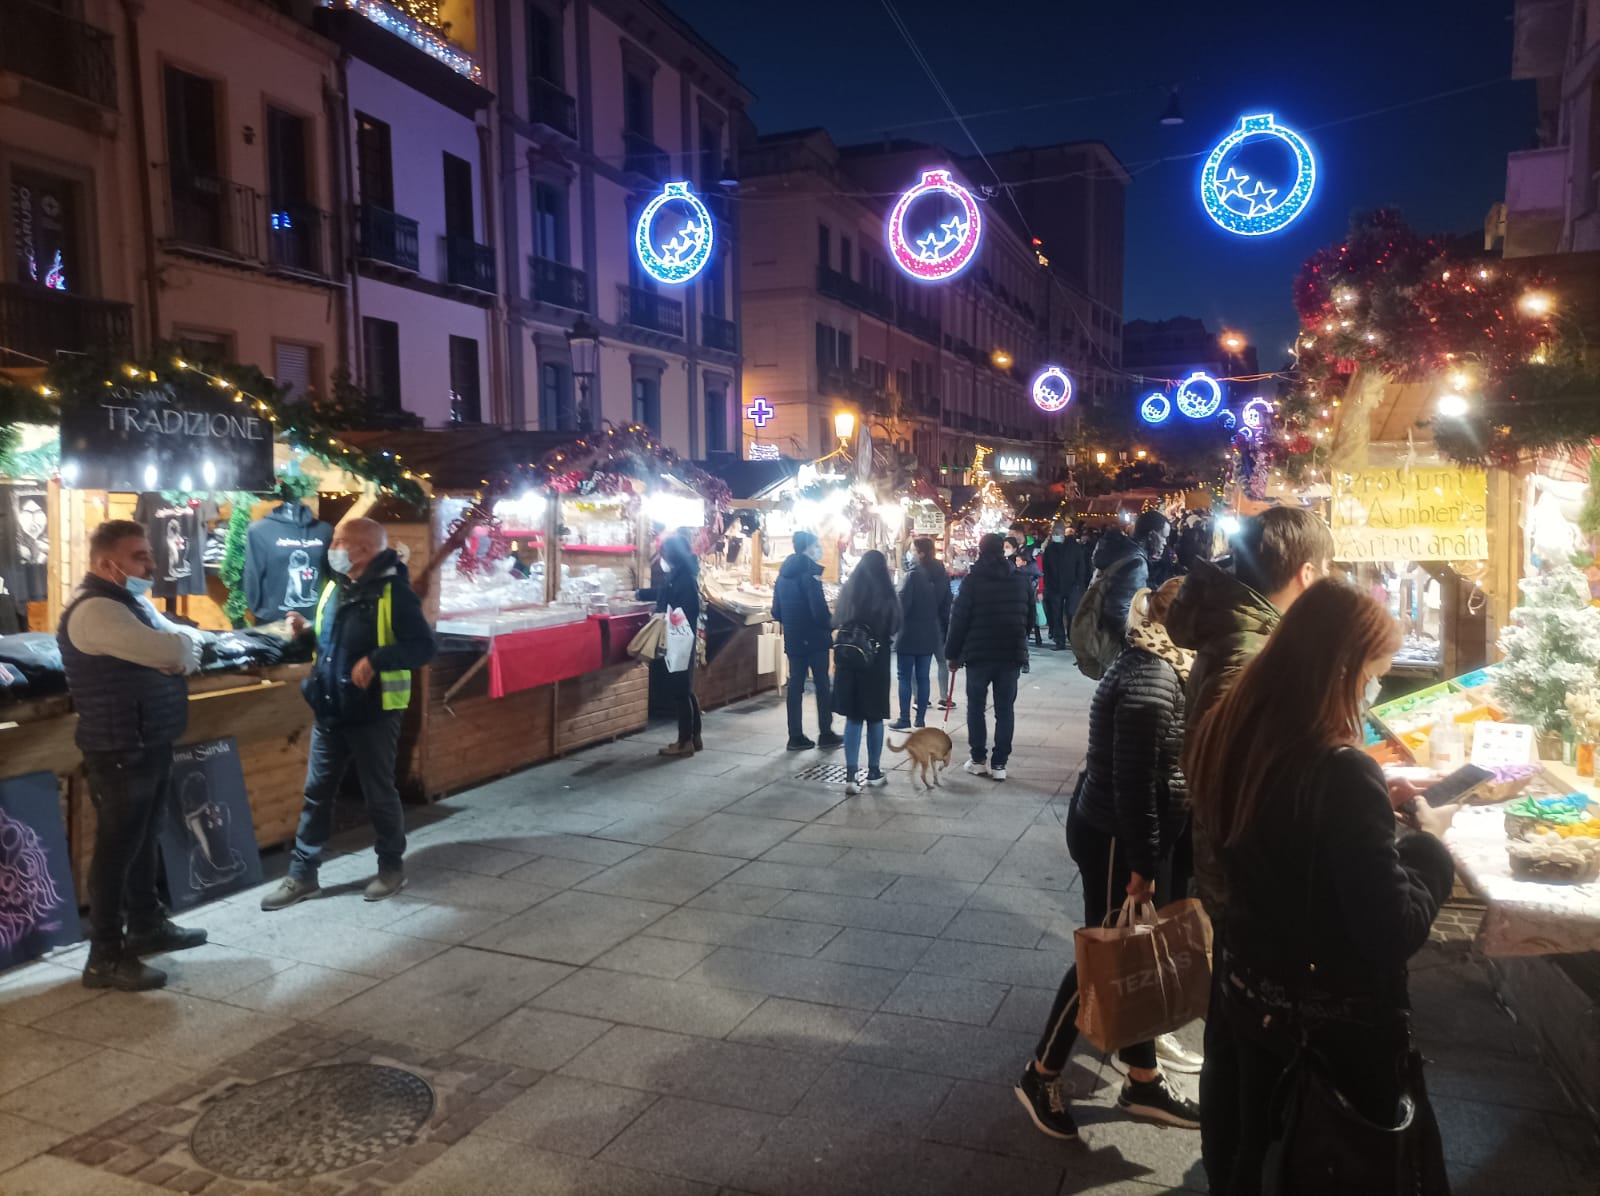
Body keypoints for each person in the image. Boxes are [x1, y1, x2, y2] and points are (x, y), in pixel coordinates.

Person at [1185, 581, 1456, 1195]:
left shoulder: (1232, 728)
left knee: (1259, 1148)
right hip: (1329, 1026)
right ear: (1341, 668)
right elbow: (1392, 930)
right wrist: (1430, 844)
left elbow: (1277, 831)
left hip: (1250, 1000)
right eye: (1371, 672)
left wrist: (1365, 813)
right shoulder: (1339, 768)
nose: (1372, 687)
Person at [1163, 504, 1334, 1191]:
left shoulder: (1249, 636)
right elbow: (1235, 772)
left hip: (1237, 871)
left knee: (1238, 1043)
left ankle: (1236, 1164)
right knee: (1244, 1048)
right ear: (1306, 572)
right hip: (1245, 879)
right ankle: (1237, 1175)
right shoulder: (1247, 650)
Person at [1015, 579, 1202, 1139]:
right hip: (1118, 834)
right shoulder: (1154, 676)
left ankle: (1142, 1078)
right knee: (1106, 954)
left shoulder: (1154, 658)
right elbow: (1133, 784)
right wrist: (1144, 865)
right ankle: (1041, 1072)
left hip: (1125, 829)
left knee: (1133, 951)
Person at [59, 520, 209, 991]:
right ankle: (104, 955)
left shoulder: (132, 603)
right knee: (116, 850)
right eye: (141, 556)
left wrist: (179, 648)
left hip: (146, 740)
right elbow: (174, 648)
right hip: (120, 747)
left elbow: (187, 642)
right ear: (109, 564)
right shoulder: (98, 611)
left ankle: (146, 924)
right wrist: (177, 650)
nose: (152, 563)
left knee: (144, 841)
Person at [261, 518, 435, 911]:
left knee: (378, 794)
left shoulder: (394, 592)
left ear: (364, 550)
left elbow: (423, 646)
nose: (332, 547)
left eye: (340, 541)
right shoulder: (335, 587)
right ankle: (303, 876)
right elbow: (330, 642)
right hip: (330, 708)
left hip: (374, 712)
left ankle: (391, 868)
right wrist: (306, 631)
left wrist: (375, 660)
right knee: (317, 793)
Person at [946, 533, 1030, 781]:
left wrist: (952, 654)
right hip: (1010, 653)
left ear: (980, 551)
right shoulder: (1019, 580)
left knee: (976, 707)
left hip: (979, 654)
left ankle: (978, 759)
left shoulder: (972, 581)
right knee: (1005, 709)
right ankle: (1000, 764)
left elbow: (958, 620)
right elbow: (1029, 620)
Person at [832, 548, 900, 795]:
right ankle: (873, 771)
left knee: (853, 716)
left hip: (849, 659)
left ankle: (851, 775)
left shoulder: (849, 590)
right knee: (874, 716)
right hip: (876, 660)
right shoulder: (886, 593)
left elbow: (837, 620)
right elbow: (895, 624)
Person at [772, 530, 842, 751]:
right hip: (814, 639)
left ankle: (795, 736)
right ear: (807, 547)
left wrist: (793, 623)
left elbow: (776, 611)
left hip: (793, 638)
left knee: (795, 685)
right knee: (822, 684)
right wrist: (833, 623)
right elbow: (818, 611)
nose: (819, 548)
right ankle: (826, 732)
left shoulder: (782, 575)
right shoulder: (809, 574)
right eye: (816, 545)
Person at [636, 534, 703, 759]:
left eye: (663, 553)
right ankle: (694, 737)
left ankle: (685, 742)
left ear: (671, 555)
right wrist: (638, 594)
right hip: (680, 636)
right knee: (685, 688)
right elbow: (664, 594)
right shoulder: (679, 575)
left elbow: (686, 609)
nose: (660, 557)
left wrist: (668, 618)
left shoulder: (685, 579)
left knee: (680, 690)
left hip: (680, 638)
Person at [1090, 511, 1171, 644]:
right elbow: (1119, 612)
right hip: (1115, 644)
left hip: (1101, 634)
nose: (1165, 543)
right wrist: (1139, 641)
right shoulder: (1135, 563)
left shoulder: (1121, 552)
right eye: (1163, 537)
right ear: (1151, 535)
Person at [891, 538, 948, 729]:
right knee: (923, 676)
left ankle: (905, 718)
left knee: (905, 676)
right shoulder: (940, 574)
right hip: (930, 631)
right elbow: (947, 602)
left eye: (913, 551)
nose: (911, 554)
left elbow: (902, 607)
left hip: (909, 633)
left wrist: (893, 628)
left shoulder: (912, 576)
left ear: (921, 553)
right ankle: (920, 719)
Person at [1040, 519, 1088, 651]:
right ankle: (1059, 640)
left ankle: (1072, 639)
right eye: (1055, 532)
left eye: (1059, 532)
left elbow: (1081, 566)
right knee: (1056, 614)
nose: (1057, 534)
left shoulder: (1073, 547)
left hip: (1072, 586)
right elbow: (1046, 569)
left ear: (1063, 533)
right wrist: (1048, 586)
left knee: (1071, 613)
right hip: (1055, 586)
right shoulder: (1050, 549)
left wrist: (1079, 583)